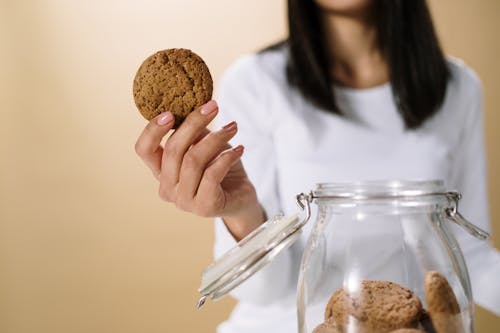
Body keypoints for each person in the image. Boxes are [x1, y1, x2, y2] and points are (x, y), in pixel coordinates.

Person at [135, 0, 500, 332]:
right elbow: (263, 292)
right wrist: (243, 210)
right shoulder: (256, 83)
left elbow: (470, 252)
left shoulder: (458, 88)